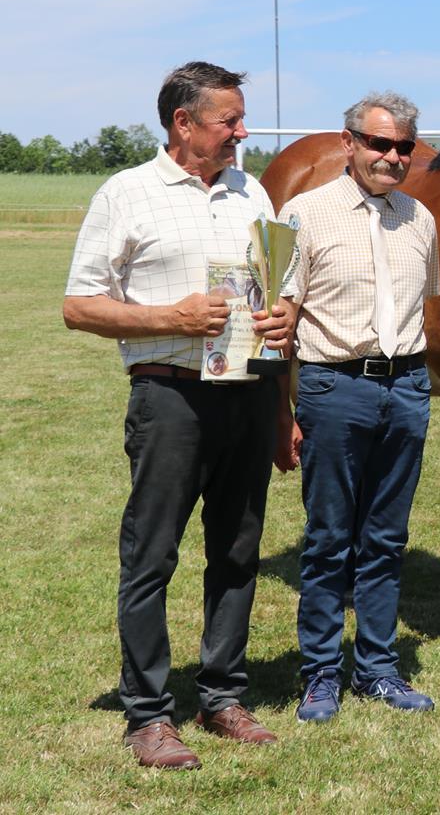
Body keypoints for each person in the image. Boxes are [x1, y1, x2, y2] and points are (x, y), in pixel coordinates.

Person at [64, 62, 289, 770]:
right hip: (170, 398)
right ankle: (149, 716)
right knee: (152, 555)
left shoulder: (252, 191)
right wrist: (172, 318)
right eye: (230, 120)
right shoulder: (126, 193)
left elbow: (272, 287)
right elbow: (78, 305)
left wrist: (281, 316)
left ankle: (222, 697)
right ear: (183, 123)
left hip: (247, 391)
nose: (243, 132)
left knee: (238, 551)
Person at [276, 92, 440, 722]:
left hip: (406, 387)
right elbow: (280, 319)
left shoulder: (420, 219)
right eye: (379, 144)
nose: (393, 157)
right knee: (328, 540)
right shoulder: (302, 214)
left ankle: (378, 669)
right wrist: (282, 408)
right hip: (334, 388)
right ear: (349, 143)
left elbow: (421, 306)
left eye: (403, 147)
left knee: (387, 539)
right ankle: (321, 673)